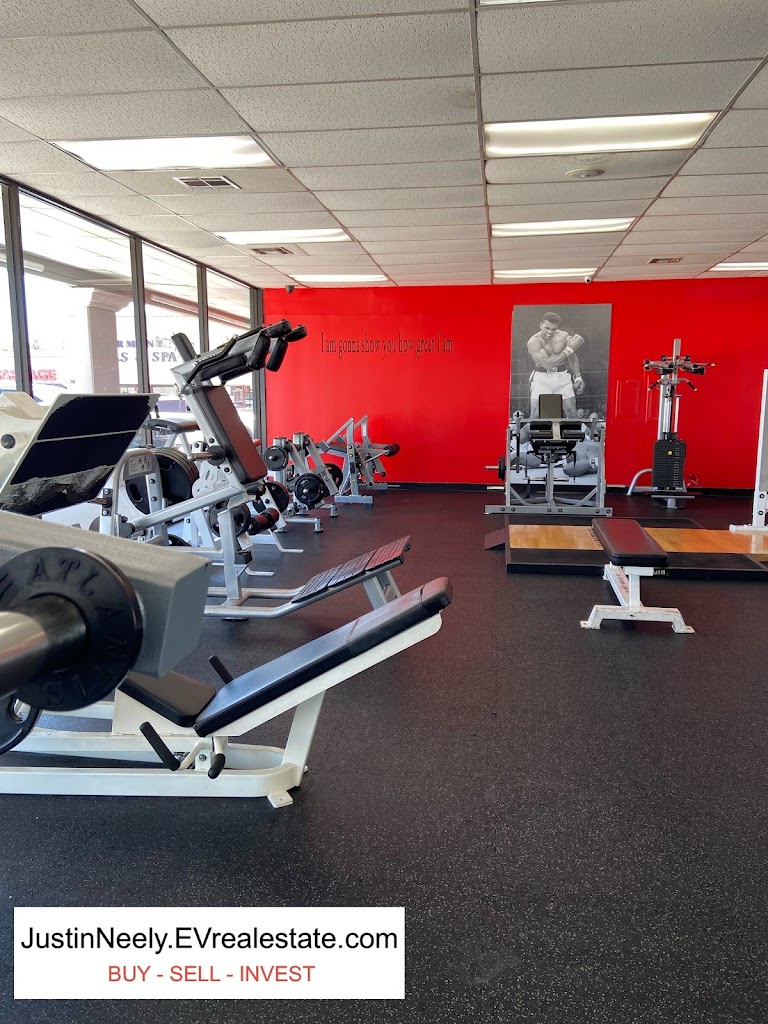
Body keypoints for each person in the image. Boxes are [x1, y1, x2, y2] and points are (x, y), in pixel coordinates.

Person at [526, 312, 586, 419]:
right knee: (536, 414)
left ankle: (577, 431)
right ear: (540, 325)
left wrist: (578, 376)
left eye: (553, 329)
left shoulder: (563, 336)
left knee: (571, 411)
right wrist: (569, 349)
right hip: (541, 377)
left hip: (561, 376)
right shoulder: (533, 342)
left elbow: (572, 357)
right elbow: (548, 364)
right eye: (547, 328)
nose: (550, 332)